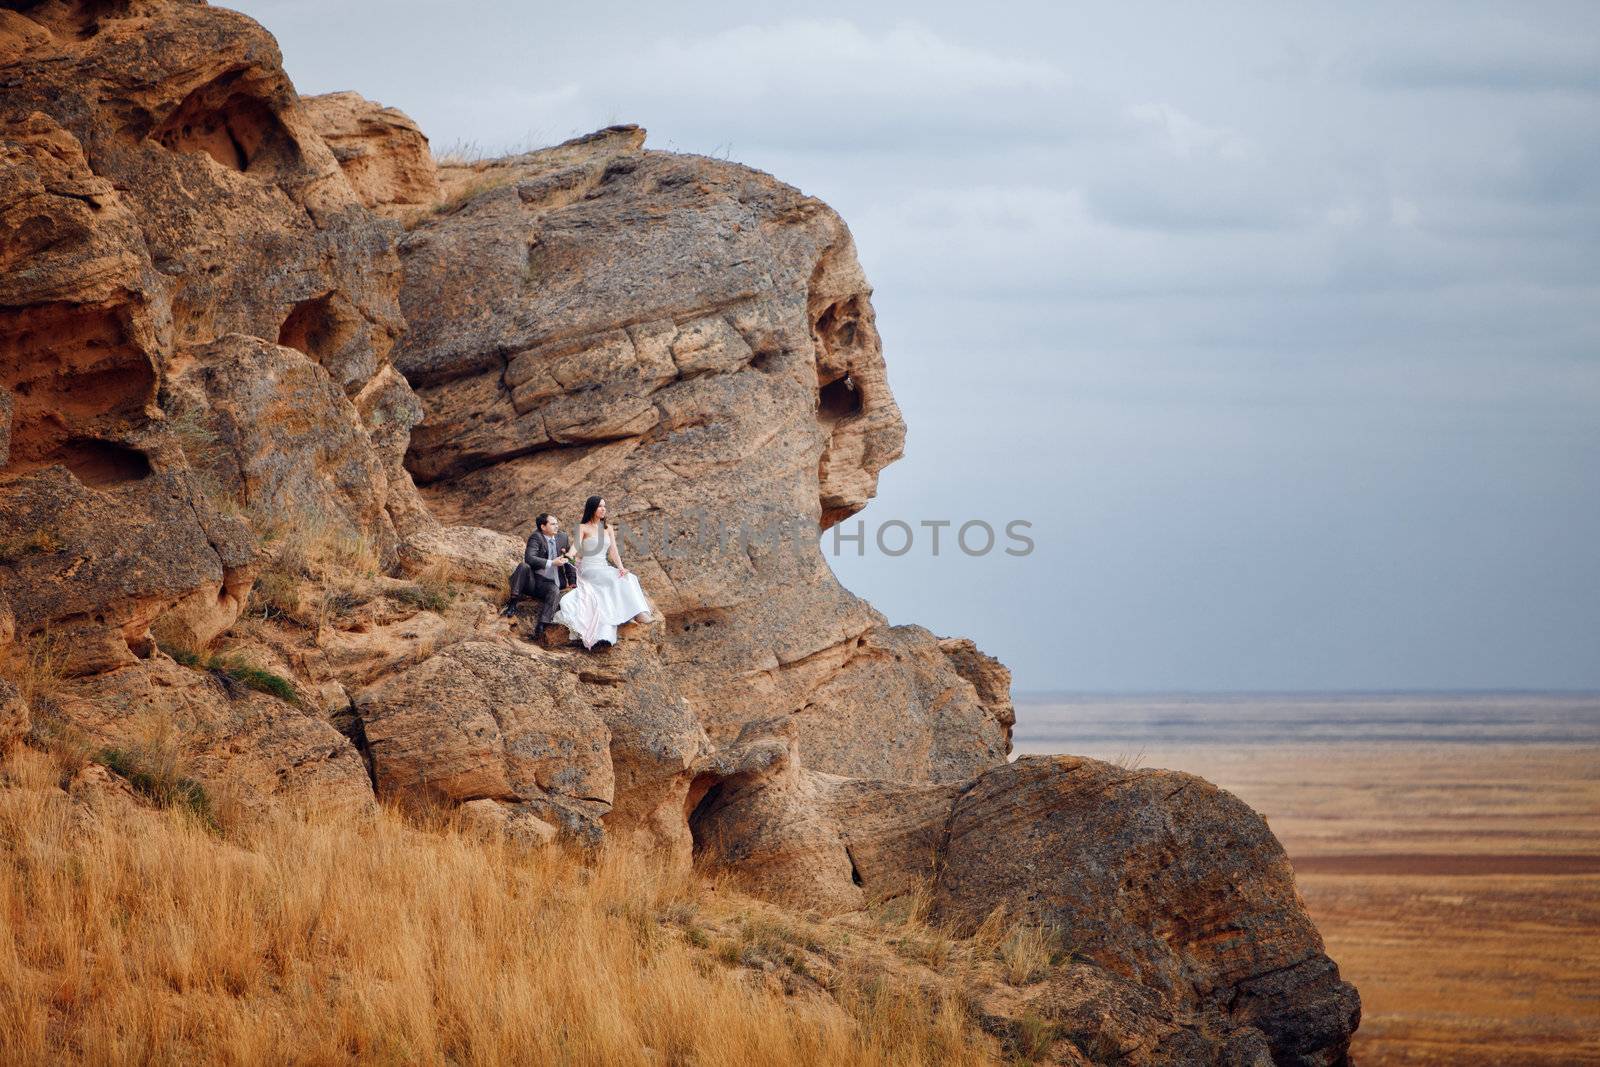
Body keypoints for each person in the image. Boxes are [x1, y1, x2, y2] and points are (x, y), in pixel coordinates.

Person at [554, 495, 654, 649]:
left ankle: (639, 613)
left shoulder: (608, 528)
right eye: (600, 506)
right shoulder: (583, 527)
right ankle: (630, 613)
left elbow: (613, 550)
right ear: (592, 508)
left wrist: (621, 567)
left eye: (605, 506)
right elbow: (576, 547)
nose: (603, 509)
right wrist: (568, 556)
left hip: (603, 566)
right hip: (589, 568)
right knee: (612, 579)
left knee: (629, 577)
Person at [519, 513, 576, 640]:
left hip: (555, 582)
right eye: (553, 524)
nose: (557, 526)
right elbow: (529, 559)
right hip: (537, 581)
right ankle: (514, 605)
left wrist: (572, 582)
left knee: (556, 591)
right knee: (524, 568)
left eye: (557, 523)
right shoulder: (536, 537)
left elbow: (569, 561)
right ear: (543, 527)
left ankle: (543, 626)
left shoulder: (563, 538)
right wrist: (552, 563)